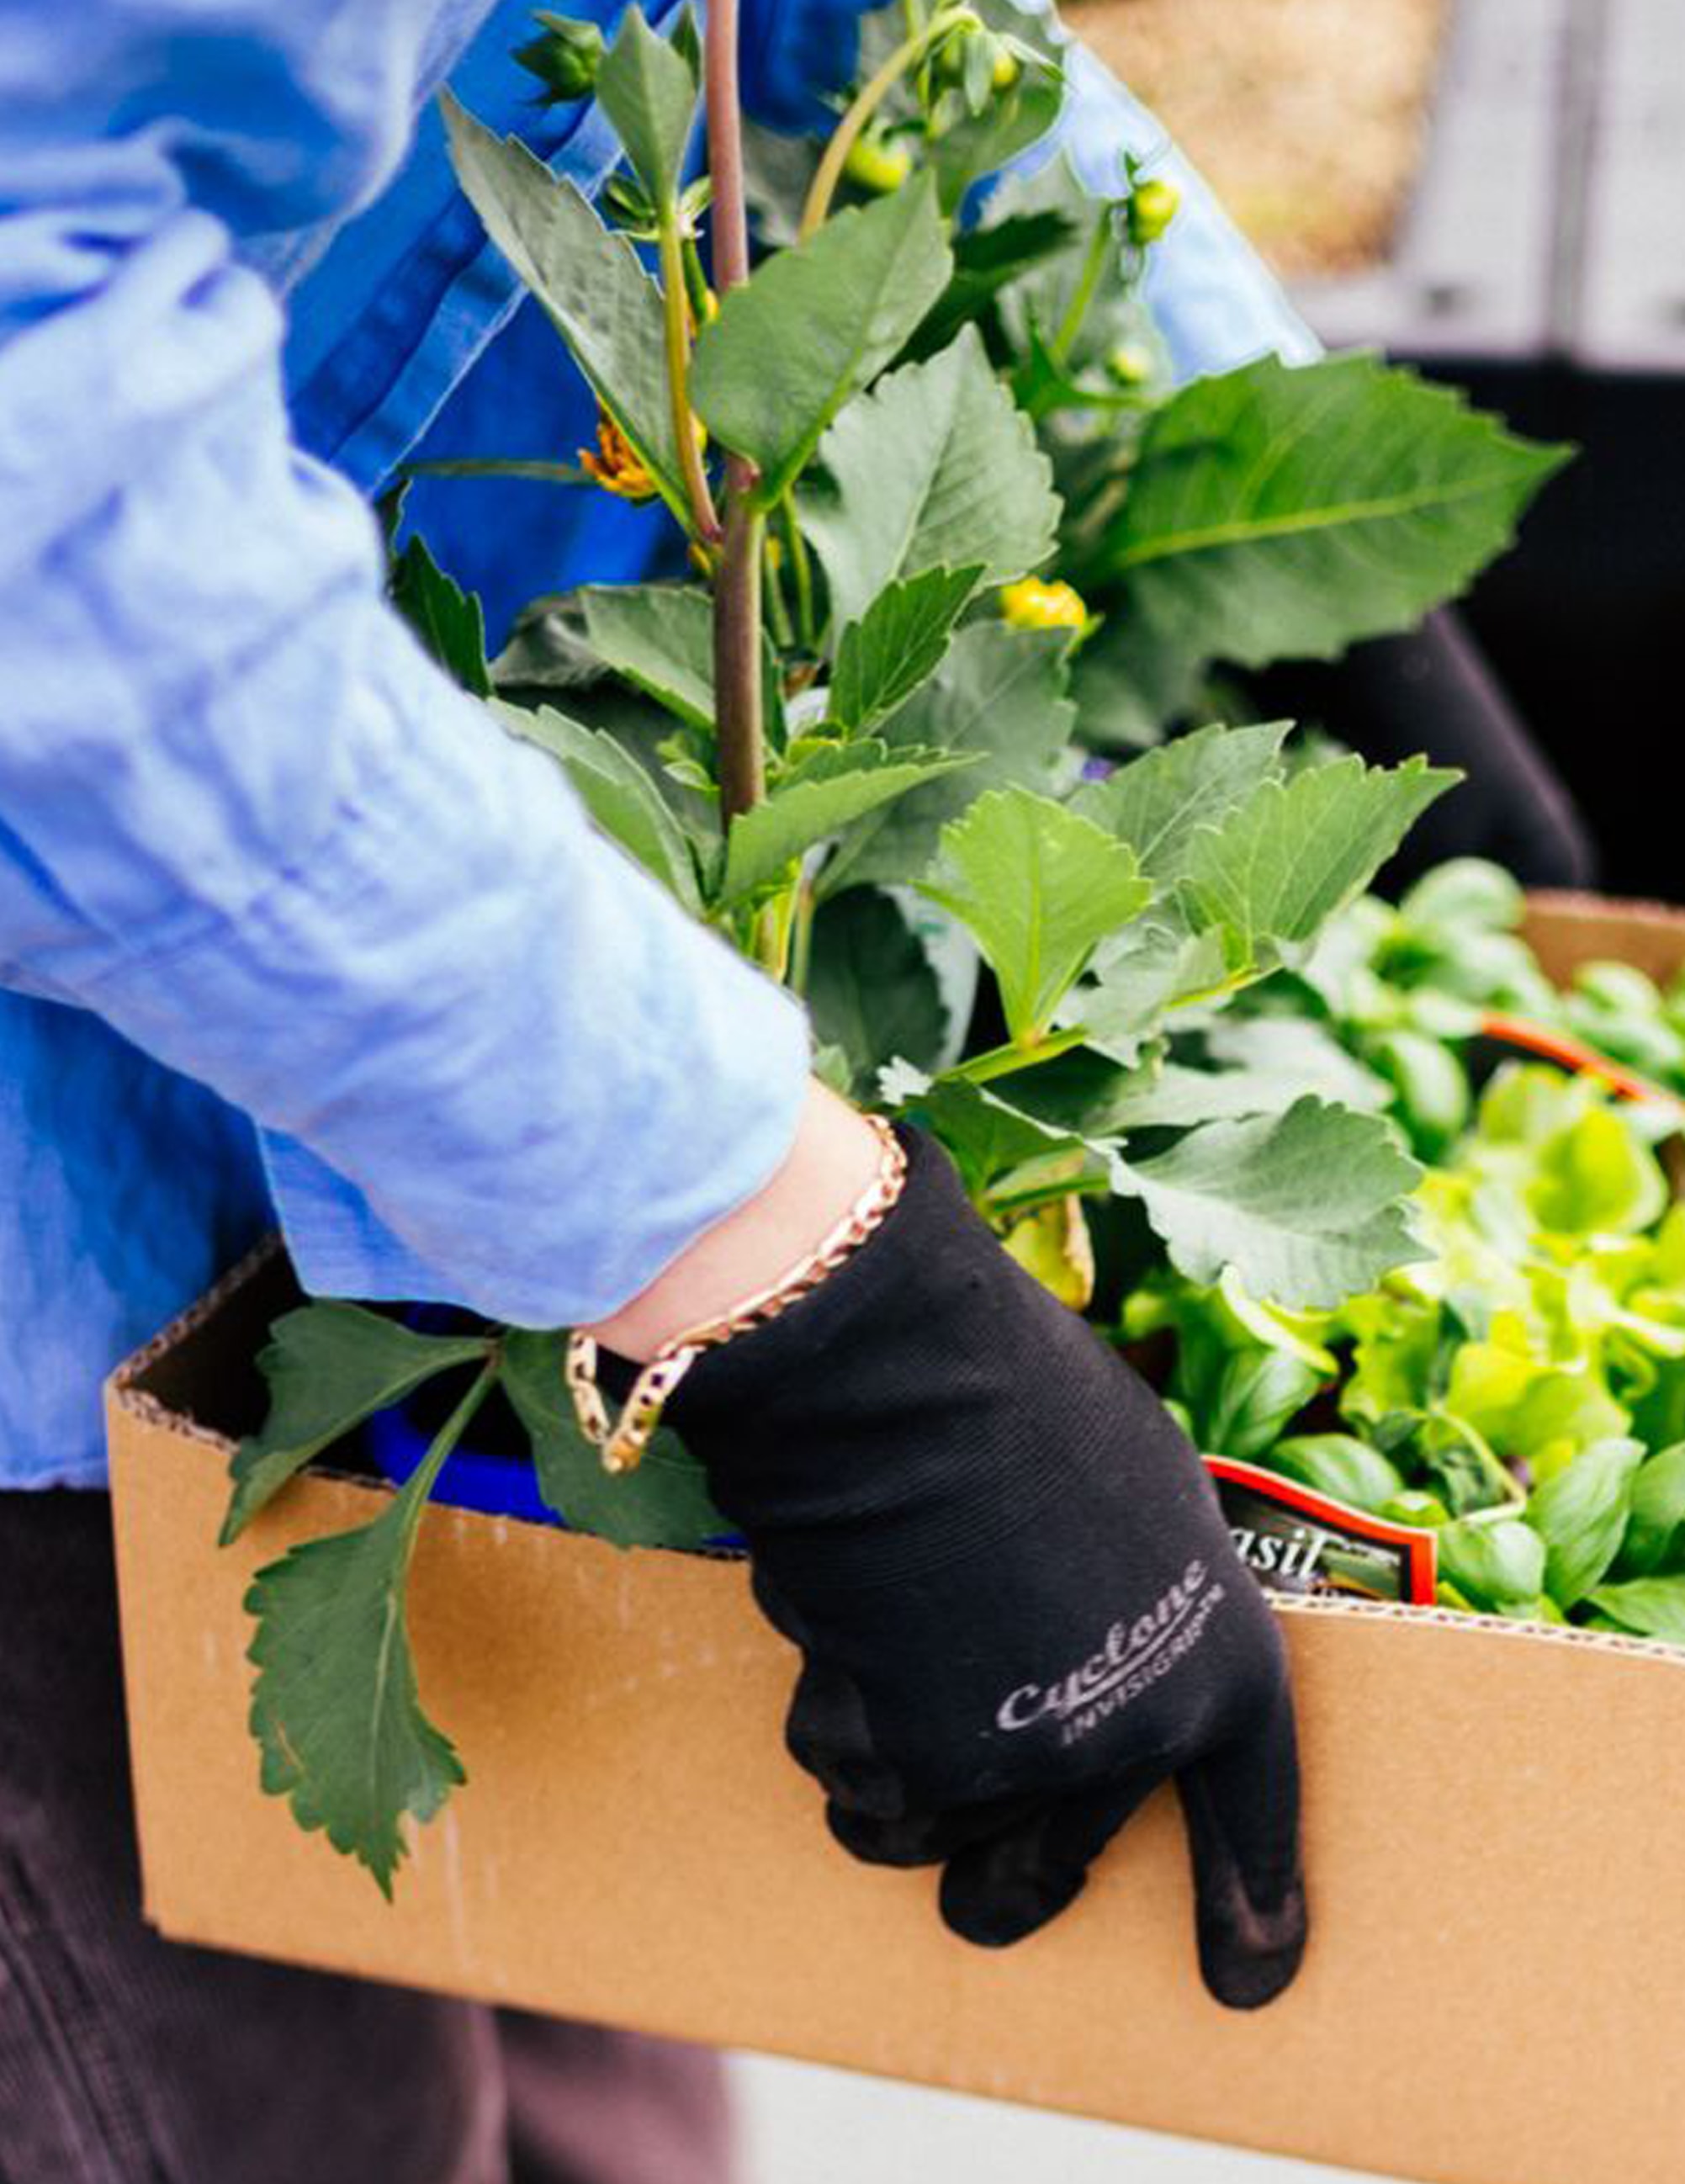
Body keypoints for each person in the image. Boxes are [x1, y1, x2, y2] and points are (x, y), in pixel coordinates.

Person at [0, 6, 1582, 2177]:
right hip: (109, 1170)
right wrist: (793, 1275)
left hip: (446, 948)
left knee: (610, 2060)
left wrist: (1213, 443)